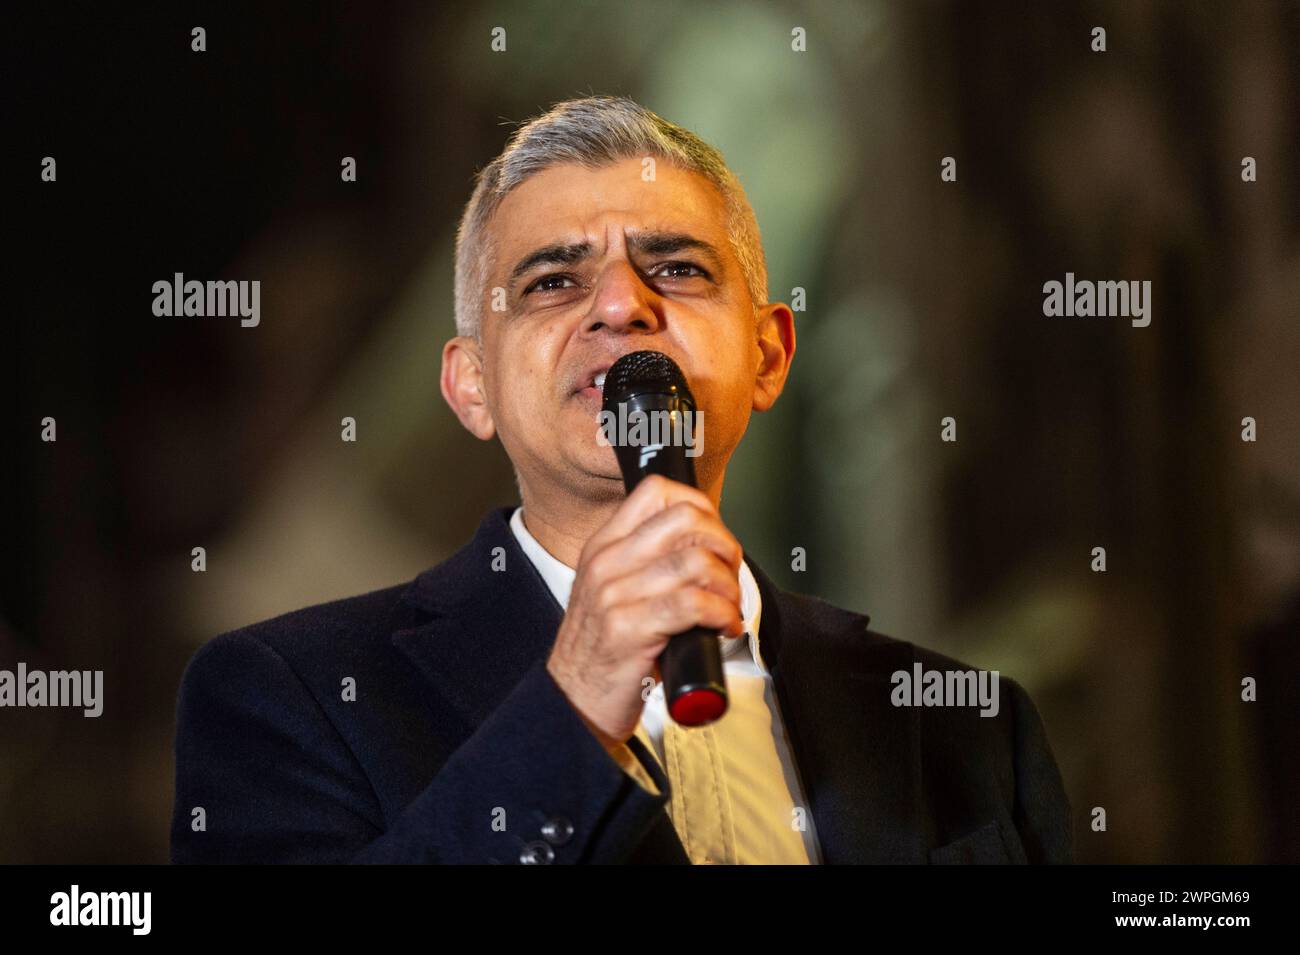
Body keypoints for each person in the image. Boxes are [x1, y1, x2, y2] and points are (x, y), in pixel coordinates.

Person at [170, 95, 1073, 864]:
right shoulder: (289, 695)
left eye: (676, 269)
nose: (619, 304)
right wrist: (575, 704)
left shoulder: (968, 724)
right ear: (470, 386)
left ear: (768, 356)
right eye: (554, 282)